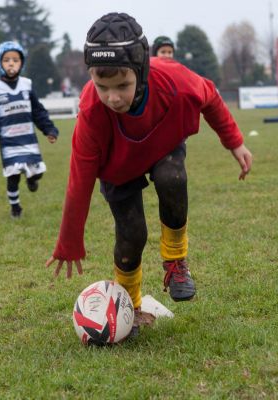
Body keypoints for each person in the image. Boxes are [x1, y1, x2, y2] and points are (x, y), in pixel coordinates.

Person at [45, 12, 253, 337]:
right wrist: (69, 242)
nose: (112, 97)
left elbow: (210, 95)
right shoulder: (91, 111)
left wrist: (235, 143)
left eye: (122, 86)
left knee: (172, 178)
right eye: (102, 87)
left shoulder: (175, 80)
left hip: (161, 145)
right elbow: (79, 179)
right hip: (118, 166)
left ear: (141, 71)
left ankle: (175, 261)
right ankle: (129, 305)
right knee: (132, 234)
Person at [0, 41, 59, 218]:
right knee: (13, 176)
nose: (11, 63)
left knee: (38, 173)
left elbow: (38, 111)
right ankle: (15, 208)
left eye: (15, 60)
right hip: (9, 142)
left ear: (21, 63)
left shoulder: (27, 85)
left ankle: (31, 179)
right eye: (6, 60)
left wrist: (49, 130)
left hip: (28, 139)